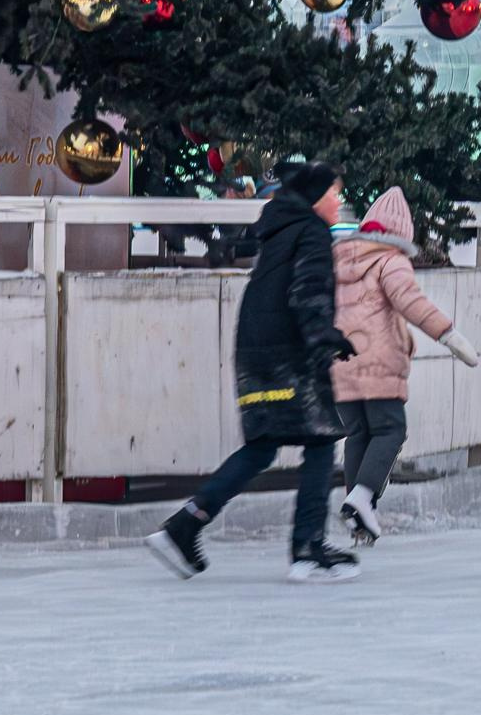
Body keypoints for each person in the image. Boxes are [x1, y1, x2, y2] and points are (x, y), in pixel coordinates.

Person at [147, 162, 360, 582]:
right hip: (290, 356)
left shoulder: (278, 232)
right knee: (320, 442)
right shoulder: (312, 233)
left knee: (262, 447)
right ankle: (307, 549)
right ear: (316, 198)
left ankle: (185, 524)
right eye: (334, 193)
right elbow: (307, 291)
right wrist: (325, 335)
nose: (339, 201)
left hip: (254, 355)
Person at [329, 185, 480, 545]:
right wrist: (449, 334)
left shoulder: (338, 259)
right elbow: (411, 302)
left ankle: (359, 516)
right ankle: (362, 498)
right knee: (390, 430)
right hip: (378, 367)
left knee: (358, 434)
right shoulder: (389, 259)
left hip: (339, 365)